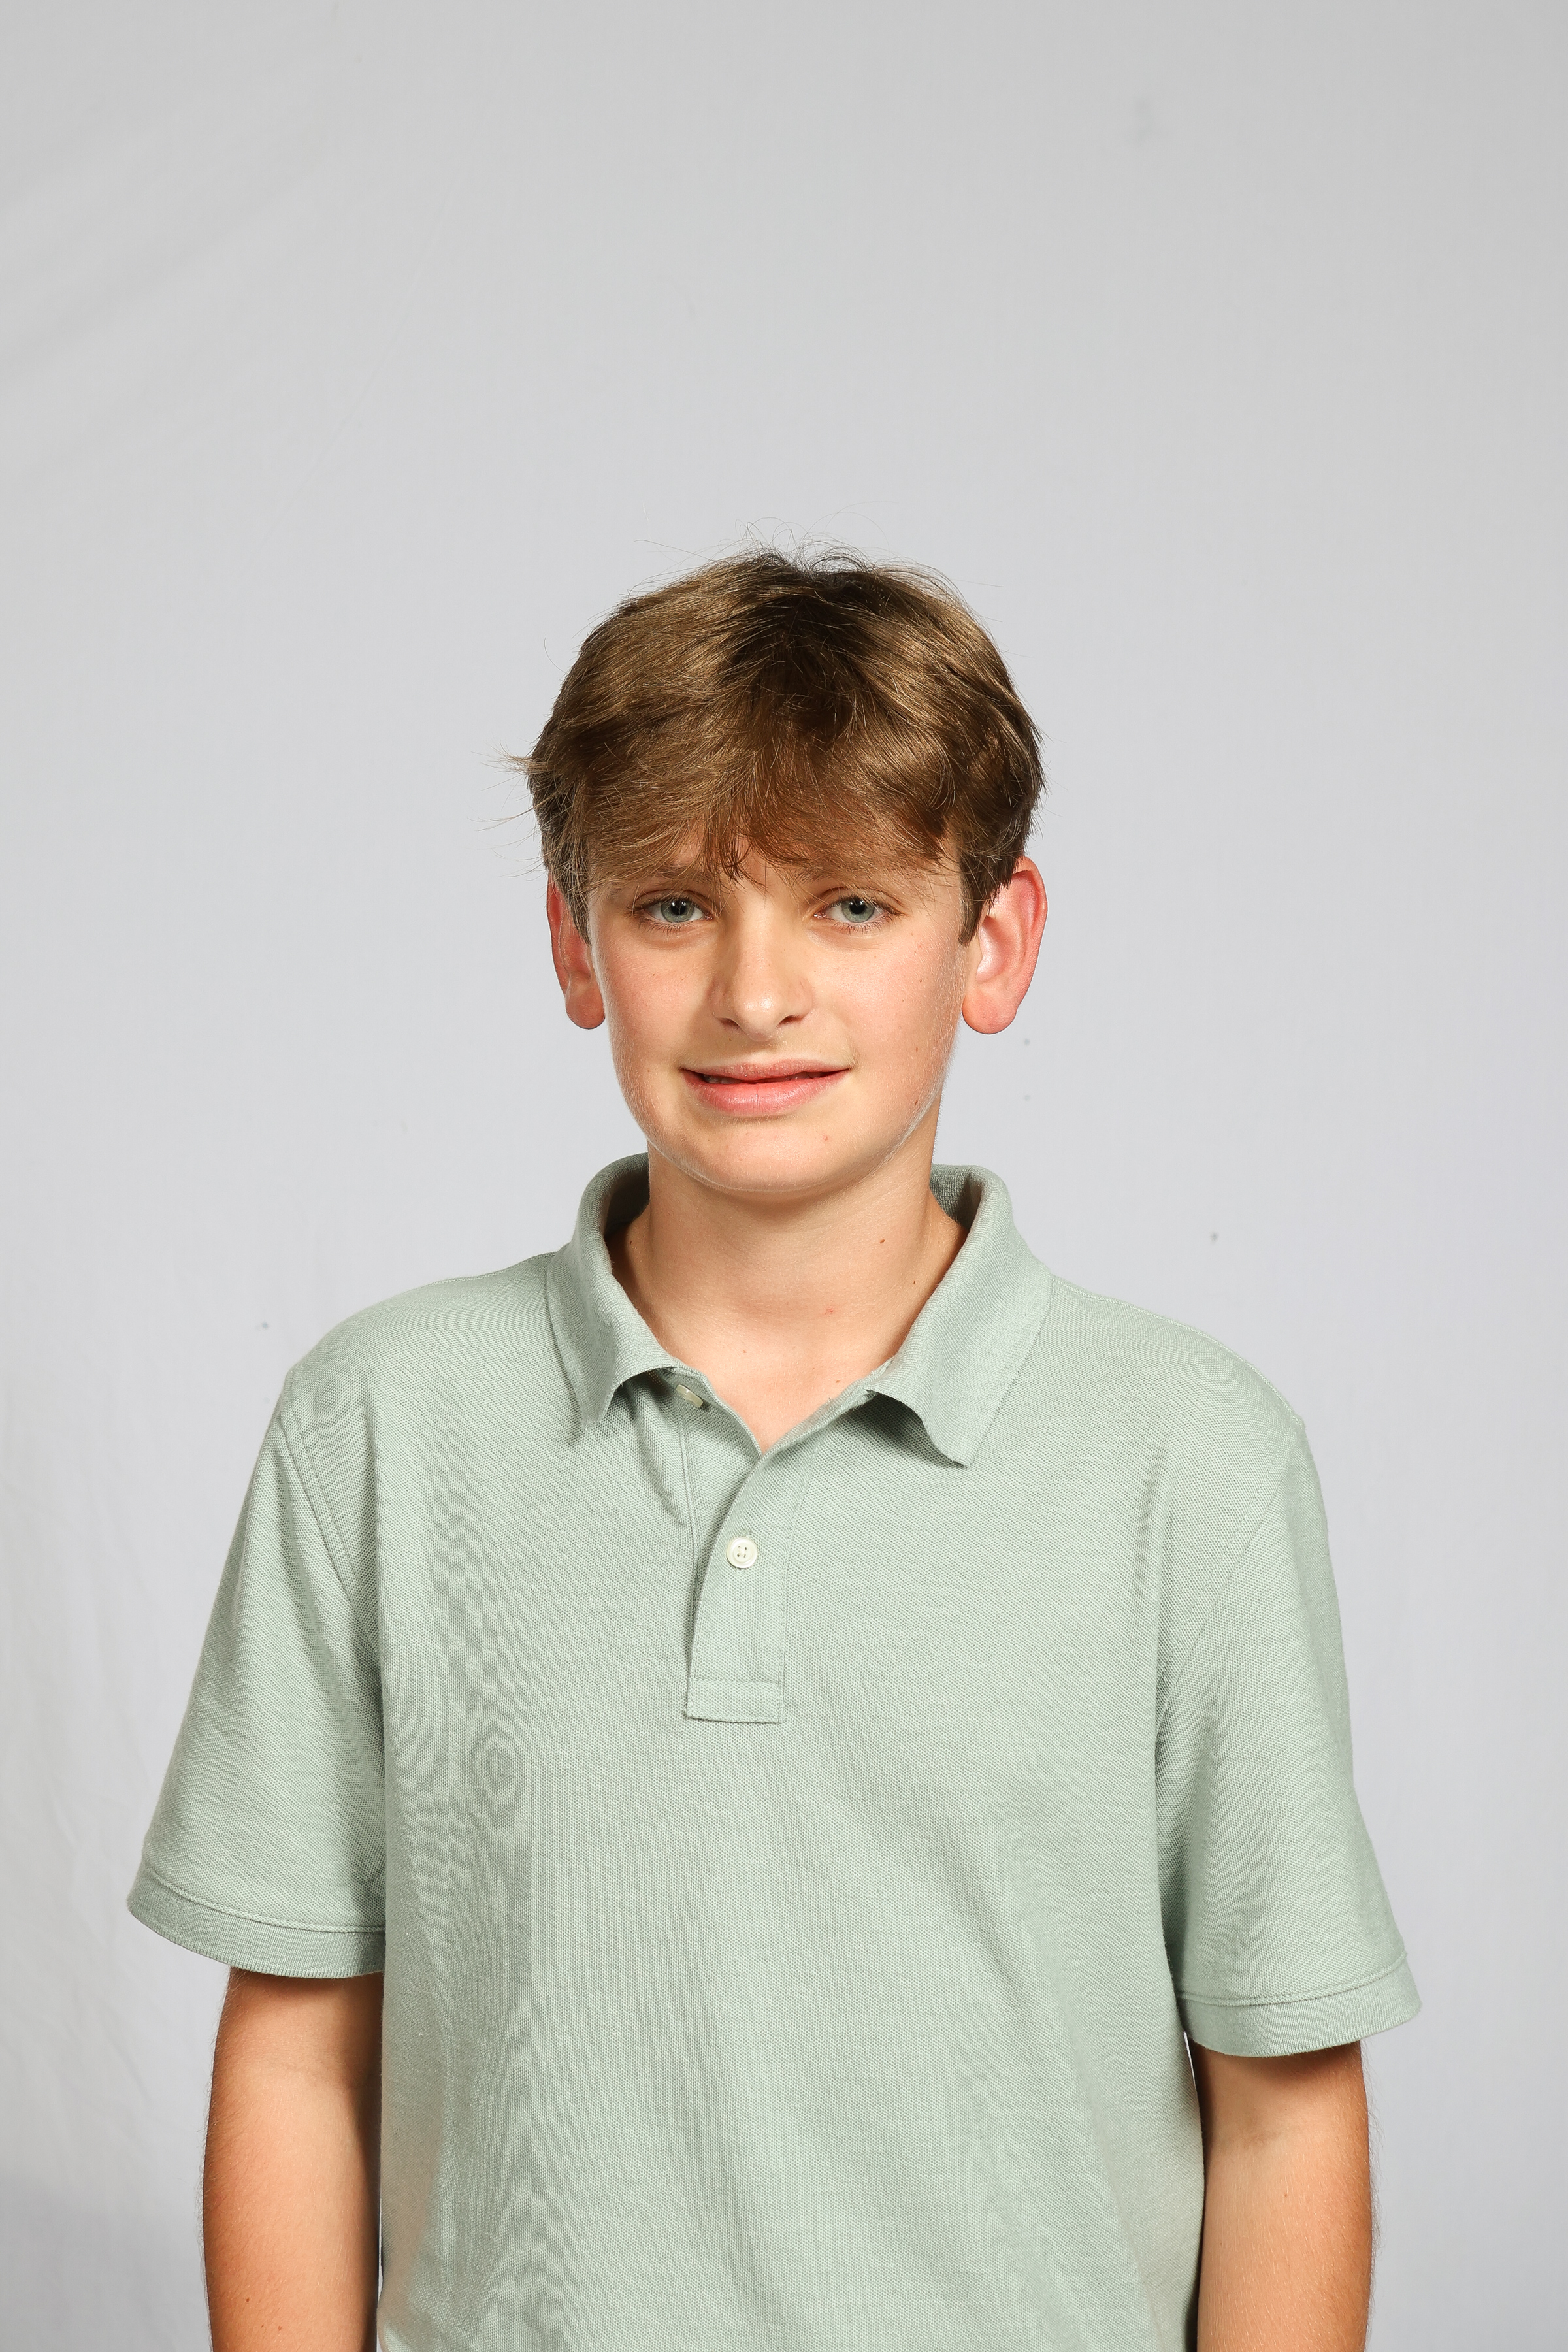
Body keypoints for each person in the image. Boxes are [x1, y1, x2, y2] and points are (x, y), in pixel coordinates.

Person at [129, 549, 1419, 2352]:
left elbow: (1282, 2104)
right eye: (673, 906)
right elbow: (293, 2053)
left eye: (851, 905)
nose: (756, 991)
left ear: (994, 944)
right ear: (576, 946)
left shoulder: (1192, 1459)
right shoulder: (381, 1424)